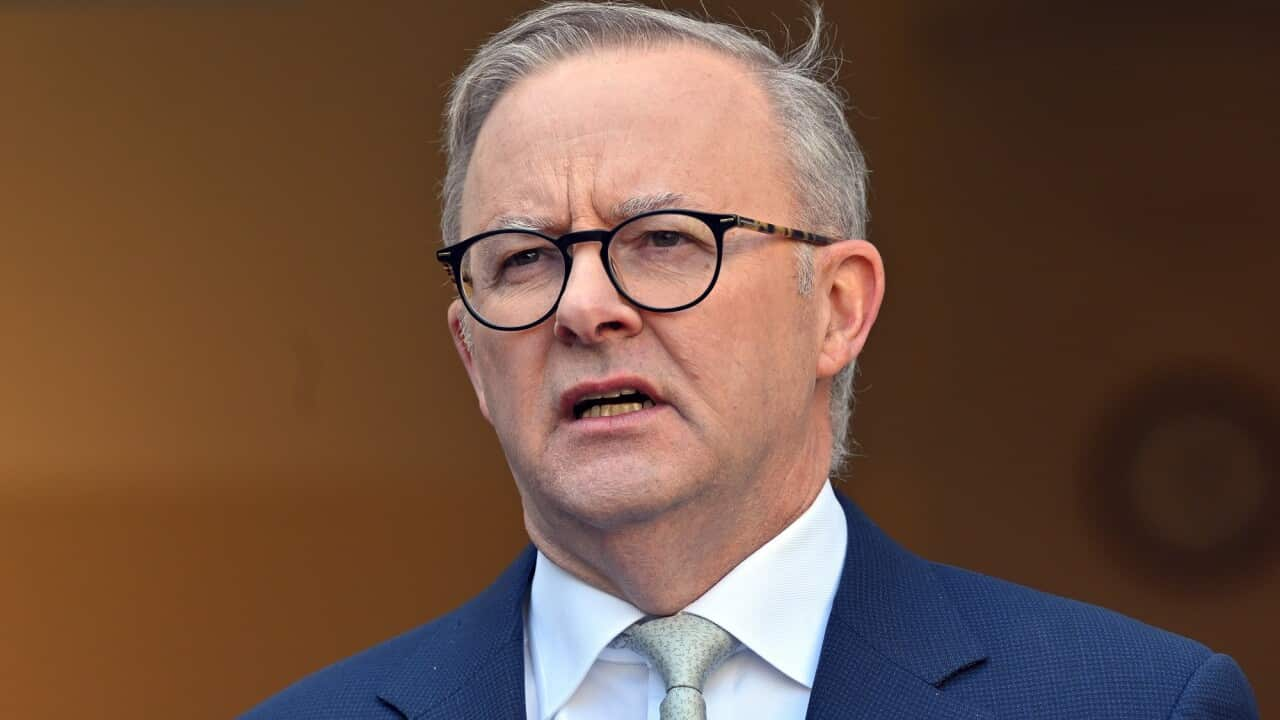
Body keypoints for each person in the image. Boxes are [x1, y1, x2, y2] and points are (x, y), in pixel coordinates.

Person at [243, 3, 1258, 718]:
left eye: (664, 240)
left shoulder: (1124, 703)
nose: (585, 307)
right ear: (471, 355)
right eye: (521, 259)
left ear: (836, 309)